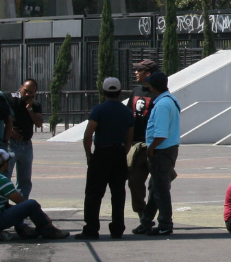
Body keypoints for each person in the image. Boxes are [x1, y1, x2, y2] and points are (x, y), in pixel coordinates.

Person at [77, 77, 134, 240]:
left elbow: (88, 135)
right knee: (118, 193)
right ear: (120, 92)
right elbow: (129, 137)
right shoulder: (127, 112)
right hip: (119, 154)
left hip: (101, 154)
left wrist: (89, 155)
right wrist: (123, 153)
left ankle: (91, 228)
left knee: (94, 194)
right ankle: (117, 228)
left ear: (103, 92)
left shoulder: (99, 110)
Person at [0, 148, 68, 240]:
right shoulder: (1, 180)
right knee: (31, 204)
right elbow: (21, 201)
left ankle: (22, 228)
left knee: (10, 207)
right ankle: (47, 230)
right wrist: (44, 217)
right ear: (5, 164)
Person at [134, 71, 180, 236]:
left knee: (160, 190)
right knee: (155, 187)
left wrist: (151, 149)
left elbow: (160, 134)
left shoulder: (161, 105)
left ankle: (165, 224)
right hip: (168, 150)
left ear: (153, 87)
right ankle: (146, 221)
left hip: (161, 151)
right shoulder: (169, 100)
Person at [127, 59, 158, 214]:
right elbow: (128, 117)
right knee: (135, 182)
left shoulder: (158, 94)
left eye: (139, 71)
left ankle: (154, 214)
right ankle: (142, 213)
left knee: (158, 184)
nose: (136, 73)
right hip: (136, 146)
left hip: (154, 146)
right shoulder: (135, 91)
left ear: (148, 74)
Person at [6, 79, 42, 199]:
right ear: (21, 88)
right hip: (12, 144)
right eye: (25, 91)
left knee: (25, 181)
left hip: (26, 146)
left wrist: (29, 109)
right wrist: (9, 131)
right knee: (5, 177)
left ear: (35, 93)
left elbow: (38, 123)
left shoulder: (35, 105)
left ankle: (21, 207)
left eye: (31, 92)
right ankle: (1, 206)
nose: (27, 94)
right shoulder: (11, 100)